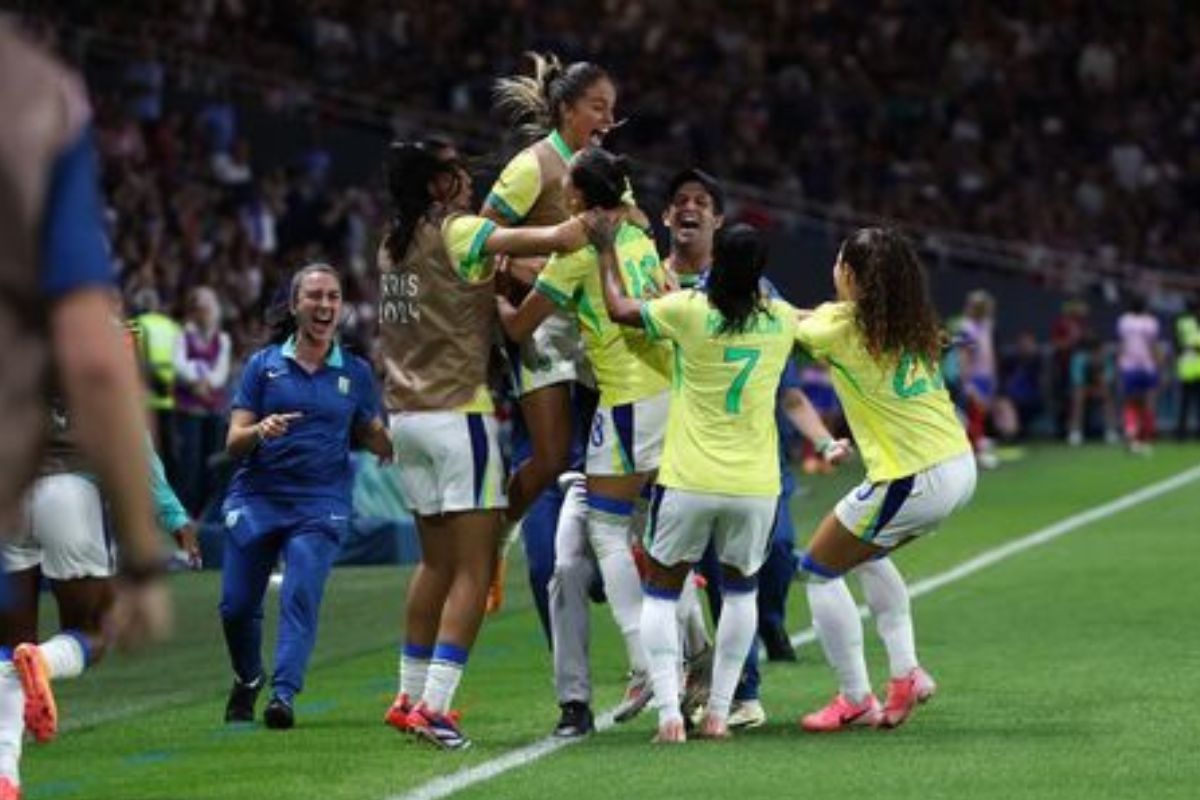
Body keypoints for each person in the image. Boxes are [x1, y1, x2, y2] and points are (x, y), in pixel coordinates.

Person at [591, 222, 849, 742]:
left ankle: (668, 716)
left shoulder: (688, 310)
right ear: (760, 273)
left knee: (662, 595)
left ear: (717, 265)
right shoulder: (778, 318)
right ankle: (718, 713)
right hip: (754, 485)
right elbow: (816, 323)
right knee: (739, 594)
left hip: (688, 478)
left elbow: (619, 310)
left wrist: (603, 253)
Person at [377, 140, 597, 749]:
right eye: (456, 174)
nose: (470, 181)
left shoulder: (390, 246)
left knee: (435, 563)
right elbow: (557, 241)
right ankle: (437, 708)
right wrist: (601, 209)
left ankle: (407, 694)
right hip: (457, 417)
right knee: (475, 567)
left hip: (405, 420)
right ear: (436, 186)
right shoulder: (461, 231)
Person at [0, 25, 171, 799]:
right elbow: (102, 376)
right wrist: (145, 550)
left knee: (6, 644)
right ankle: (43, 685)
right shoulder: (36, 100)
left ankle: (4, 768)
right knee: (88, 630)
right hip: (62, 475)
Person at [497, 148, 671, 728]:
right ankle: (681, 668)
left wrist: (491, 295)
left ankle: (646, 664)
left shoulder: (577, 255)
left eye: (569, 190)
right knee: (667, 543)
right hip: (670, 400)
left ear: (577, 198)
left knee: (603, 532)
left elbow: (519, 326)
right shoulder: (642, 239)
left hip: (626, 402)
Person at [793, 228, 975, 732]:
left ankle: (854, 697)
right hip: (958, 465)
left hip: (912, 476)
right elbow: (818, 318)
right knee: (868, 553)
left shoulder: (840, 327)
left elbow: (781, 326)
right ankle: (906, 675)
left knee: (820, 569)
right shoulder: (909, 322)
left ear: (849, 275)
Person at [220, 264, 391, 730]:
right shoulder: (263, 365)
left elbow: (374, 433)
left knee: (300, 593)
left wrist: (406, 438)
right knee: (236, 607)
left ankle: (283, 695)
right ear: (295, 305)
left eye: (333, 297)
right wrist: (259, 430)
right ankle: (249, 678)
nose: (325, 305)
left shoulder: (355, 372)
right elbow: (233, 441)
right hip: (257, 497)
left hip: (322, 504)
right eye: (315, 296)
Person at [484, 52, 620, 610]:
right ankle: (496, 536)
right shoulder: (532, 166)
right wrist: (527, 268)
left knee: (625, 445)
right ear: (567, 109)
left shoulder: (601, 165)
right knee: (547, 459)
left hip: (593, 324)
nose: (608, 119)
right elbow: (479, 240)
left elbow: (625, 226)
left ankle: (609, 557)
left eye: (613, 109)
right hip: (539, 324)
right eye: (598, 107)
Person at [173, 286, 232, 515]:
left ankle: (206, 514)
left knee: (211, 464)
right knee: (190, 465)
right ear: (193, 311)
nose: (205, 312)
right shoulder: (183, 335)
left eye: (208, 308)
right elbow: (179, 365)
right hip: (189, 411)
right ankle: (186, 514)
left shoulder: (223, 339)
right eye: (200, 308)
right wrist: (197, 380)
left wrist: (202, 381)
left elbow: (221, 374)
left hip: (213, 410)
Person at [1115, 296, 1162, 454]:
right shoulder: (1150, 322)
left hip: (1129, 367)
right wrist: (1158, 365)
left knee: (1131, 403)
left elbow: (1121, 344)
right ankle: (1146, 437)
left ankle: (1131, 434)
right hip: (1147, 367)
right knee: (1148, 403)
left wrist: (1119, 364)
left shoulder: (1124, 321)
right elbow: (1153, 346)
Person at [957, 290, 999, 469]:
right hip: (973, 377)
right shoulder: (966, 327)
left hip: (986, 376)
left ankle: (978, 446)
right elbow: (964, 354)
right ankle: (975, 453)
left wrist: (993, 375)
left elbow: (989, 351)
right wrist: (966, 381)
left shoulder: (987, 324)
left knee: (980, 414)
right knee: (974, 414)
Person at [1175, 297, 1200, 439]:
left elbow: (1178, 344)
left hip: (1186, 365)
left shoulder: (1181, 322)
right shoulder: (1188, 323)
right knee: (1190, 402)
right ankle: (1185, 433)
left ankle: (1181, 433)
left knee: (1186, 402)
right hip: (1193, 365)